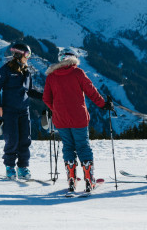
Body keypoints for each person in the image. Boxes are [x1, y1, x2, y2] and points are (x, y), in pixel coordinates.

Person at [42, 48, 112, 194]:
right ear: (73, 58)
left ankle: (72, 181)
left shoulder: (51, 76)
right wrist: (103, 104)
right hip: (79, 117)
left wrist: (56, 109)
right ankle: (89, 180)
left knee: (68, 147)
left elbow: (46, 99)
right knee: (83, 147)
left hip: (60, 119)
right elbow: (91, 91)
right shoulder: (77, 73)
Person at [0, 42, 43, 179]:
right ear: (18, 54)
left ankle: (23, 168)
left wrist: (46, 97)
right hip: (9, 111)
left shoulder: (26, 71)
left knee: (25, 140)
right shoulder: (5, 70)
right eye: (27, 54)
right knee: (12, 140)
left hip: (24, 111)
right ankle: (9, 168)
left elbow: (30, 91)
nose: (28, 57)